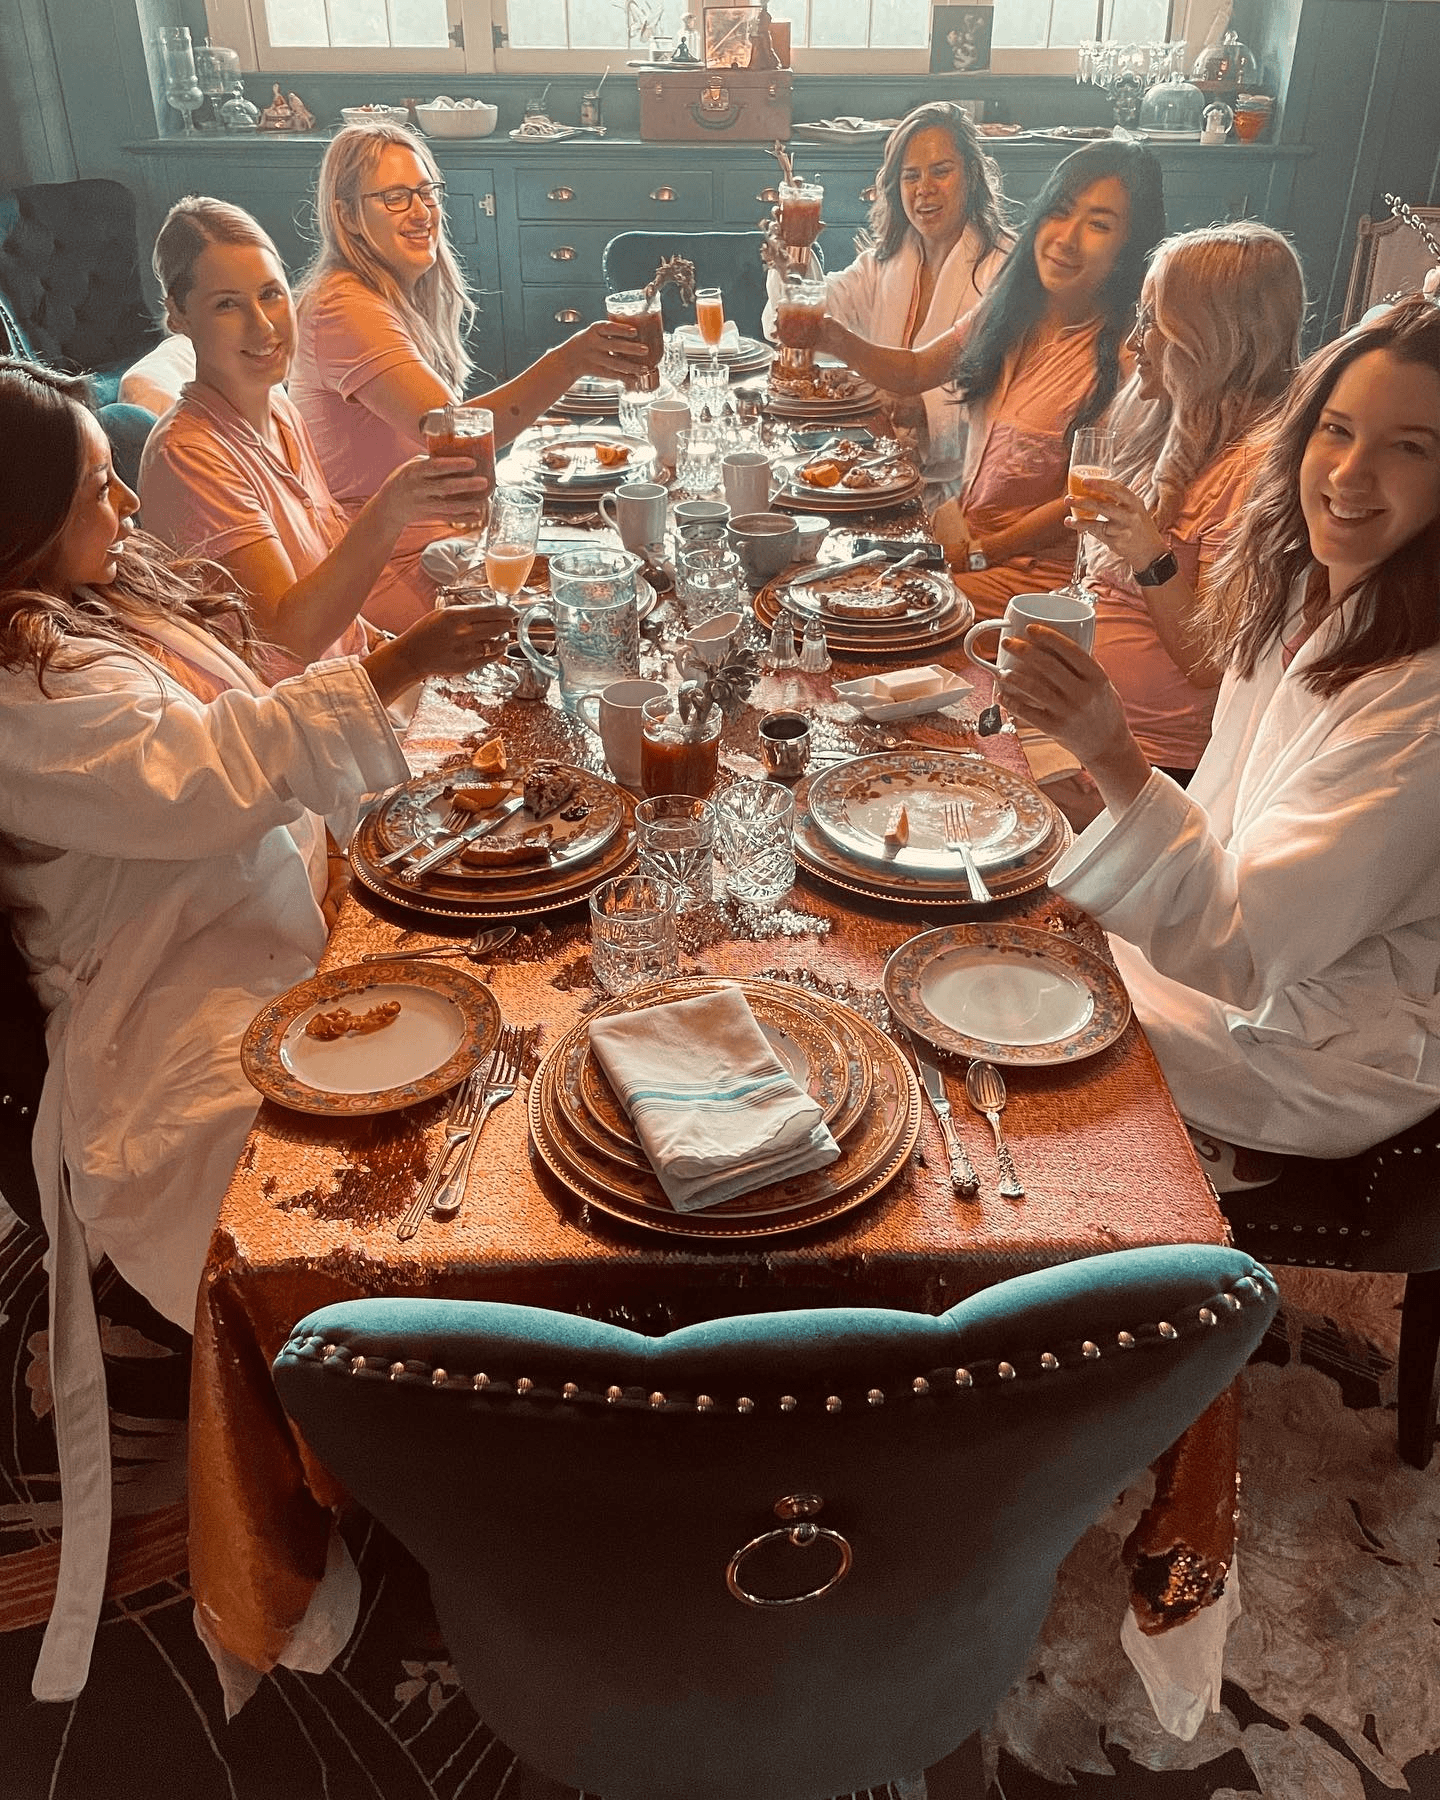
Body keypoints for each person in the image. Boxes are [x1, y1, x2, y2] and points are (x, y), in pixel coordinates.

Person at [0, 357, 504, 1699]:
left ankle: (462, 1428)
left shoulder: (87, 603)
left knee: (493, 1013)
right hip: (164, 1004)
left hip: (261, 916)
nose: (121, 492)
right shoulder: (16, 696)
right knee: (332, 1202)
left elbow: (248, 721)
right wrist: (406, 662)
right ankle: (378, 1466)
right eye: (93, 486)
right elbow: (203, 777)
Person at [996, 295, 1440, 1173]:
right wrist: (1106, 791)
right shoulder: (1305, 593)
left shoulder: (1420, 711)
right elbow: (1227, 818)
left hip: (1317, 1043)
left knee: (1007, 1021)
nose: (1350, 475)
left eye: (1409, 448)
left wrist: (1114, 758)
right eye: (1338, 431)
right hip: (1253, 970)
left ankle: (1175, 1189)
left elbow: (1246, 949)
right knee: (1000, 924)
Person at [289, 121, 659, 629]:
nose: (422, 213)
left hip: (443, 543)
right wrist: (570, 361)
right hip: (388, 571)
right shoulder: (342, 308)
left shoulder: (392, 294)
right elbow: (458, 436)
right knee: (602, 613)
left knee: (618, 573)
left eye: (426, 192)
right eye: (395, 198)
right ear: (348, 217)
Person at [804, 140, 1166, 614]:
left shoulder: (1129, 354)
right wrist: (830, 337)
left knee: (857, 609)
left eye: (1098, 225)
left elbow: (1088, 500)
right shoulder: (1010, 310)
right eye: (1059, 211)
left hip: (1040, 581)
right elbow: (915, 370)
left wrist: (981, 552)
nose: (1066, 238)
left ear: (1129, 247)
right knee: (818, 577)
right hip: (966, 546)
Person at [139, 198, 494, 680]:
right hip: (295, 728)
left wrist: (389, 645)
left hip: (355, 681)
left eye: (270, 294)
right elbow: (287, 642)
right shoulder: (186, 455)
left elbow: (329, 593)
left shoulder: (280, 409)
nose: (262, 325)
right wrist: (392, 506)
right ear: (178, 316)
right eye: (227, 304)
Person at [1066, 222, 1306, 786]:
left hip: (1150, 764)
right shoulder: (1168, 417)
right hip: (1087, 726)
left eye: (1152, 322)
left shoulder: (1261, 469)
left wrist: (1149, 554)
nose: (1132, 342)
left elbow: (1209, 664)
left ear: (1212, 335)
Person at [762, 101, 1010, 487]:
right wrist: (793, 252)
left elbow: (1008, 399)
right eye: (911, 176)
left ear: (973, 176)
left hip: (963, 487)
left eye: (941, 172)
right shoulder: (887, 261)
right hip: (876, 467)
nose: (924, 189)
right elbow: (810, 316)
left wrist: (920, 409)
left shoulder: (1004, 269)